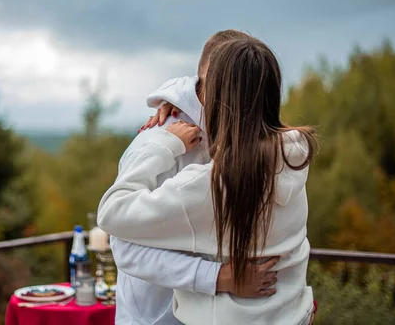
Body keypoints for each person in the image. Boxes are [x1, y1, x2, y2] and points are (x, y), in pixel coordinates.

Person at [98, 36, 317, 325]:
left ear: (219, 92)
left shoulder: (216, 181)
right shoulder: (292, 158)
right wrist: (215, 277)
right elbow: (124, 245)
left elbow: (113, 212)